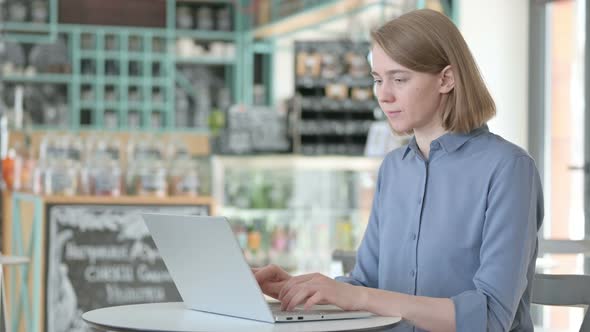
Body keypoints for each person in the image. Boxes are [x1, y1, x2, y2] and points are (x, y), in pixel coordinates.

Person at [254, 8, 543, 332]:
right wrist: (300, 290)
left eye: (400, 79)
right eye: (378, 79)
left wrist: (357, 295)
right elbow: (366, 283)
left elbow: (489, 317)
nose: (384, 95)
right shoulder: (393, 169)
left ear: (446, 79)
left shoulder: (509, 169)